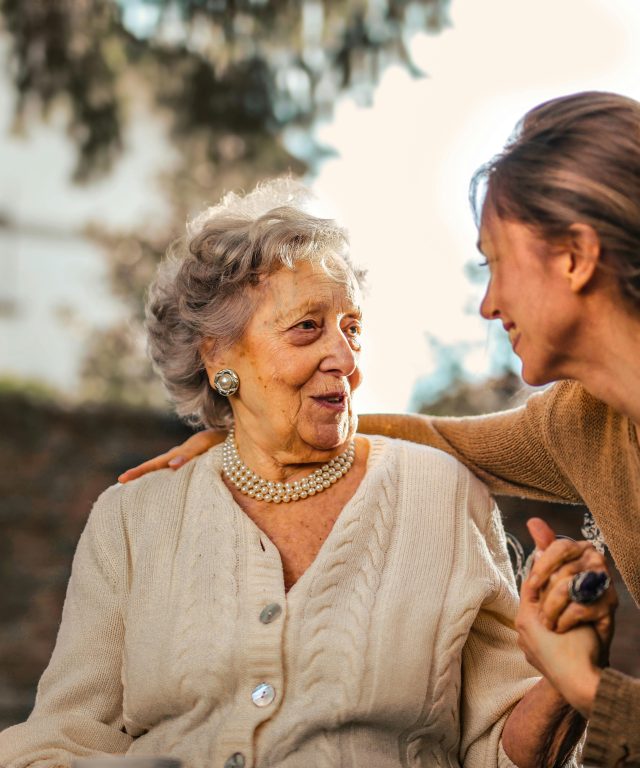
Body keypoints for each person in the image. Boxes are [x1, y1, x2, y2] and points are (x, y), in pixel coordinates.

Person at [124, 92, 640, 767]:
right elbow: (440, 439)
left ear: (575, 256)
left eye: (495, 263)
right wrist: (255, 429)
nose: (488, 305)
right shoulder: (582, 424)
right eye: (306, 328)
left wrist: (585, 687)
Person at [0, 179, 584, 768]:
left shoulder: (442, 495)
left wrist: (566, 681)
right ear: (217, 355)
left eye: (352, 327)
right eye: (307, 327)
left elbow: (500, 750)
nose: (347, 359)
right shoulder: (131, 518)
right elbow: (62, 738)